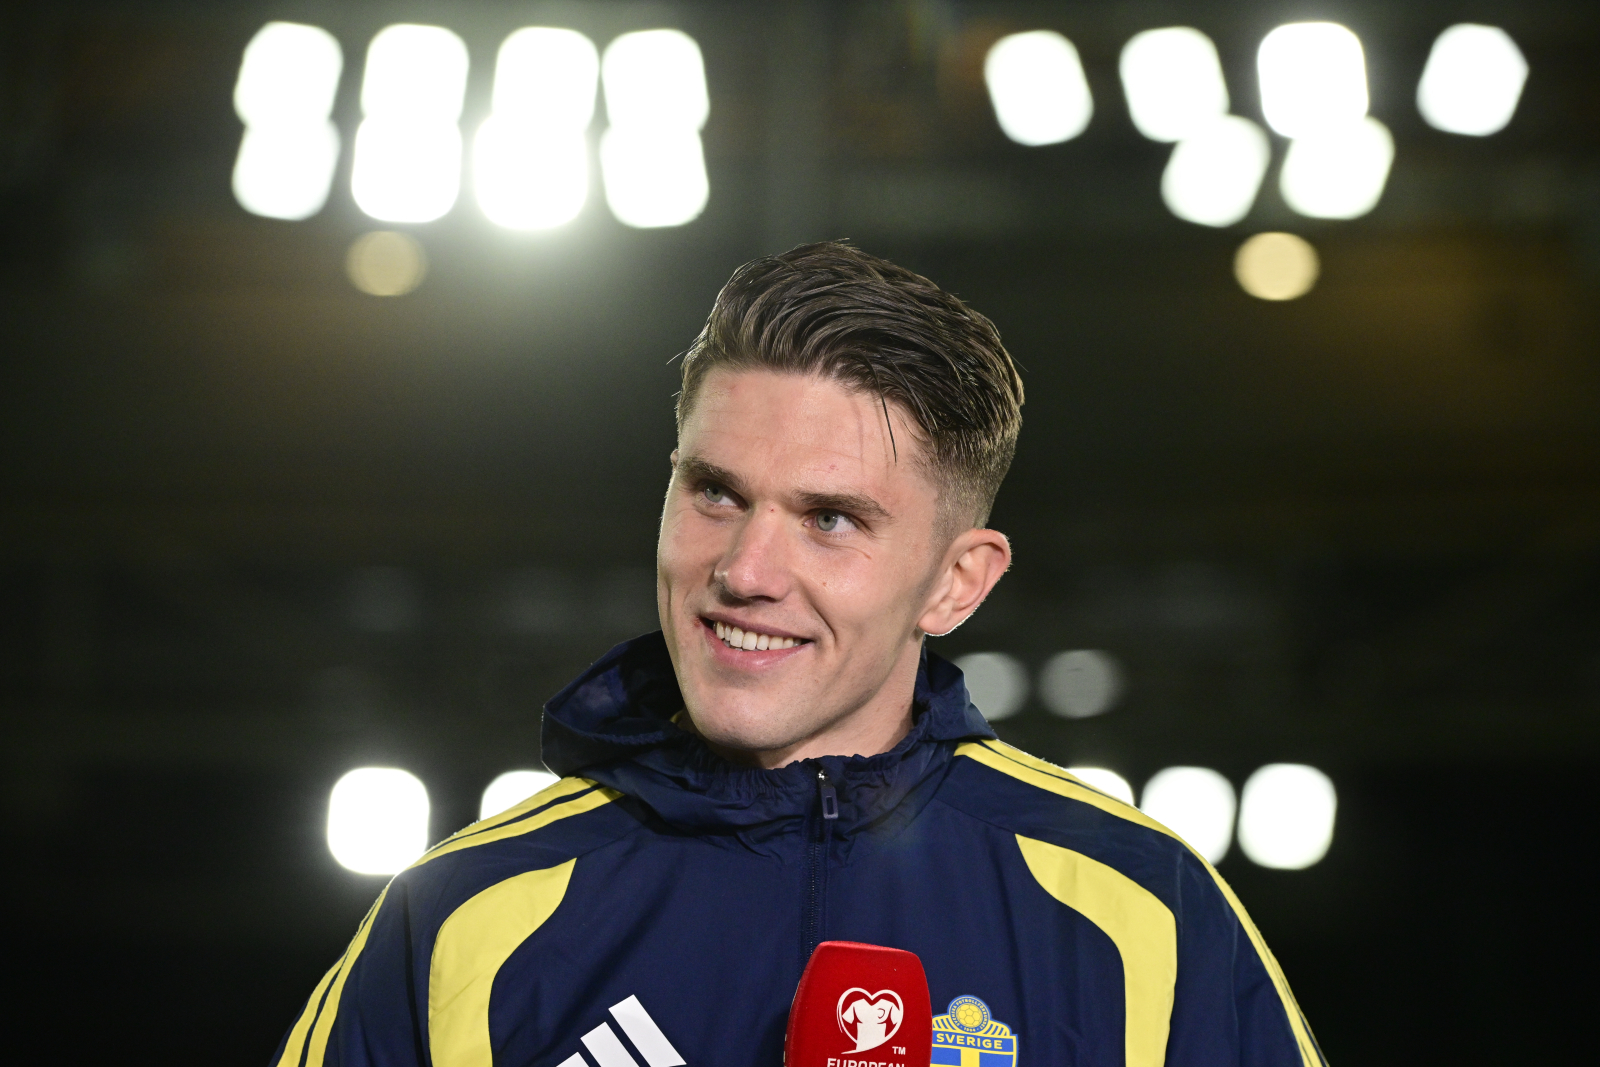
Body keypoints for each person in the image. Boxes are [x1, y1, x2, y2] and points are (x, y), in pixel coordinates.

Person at [272, 242, 1326, 1067]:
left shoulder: (1144, 912)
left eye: (829, 518)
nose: (744, 569)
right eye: (715, 492)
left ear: (958, 581)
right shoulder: (459, 919)